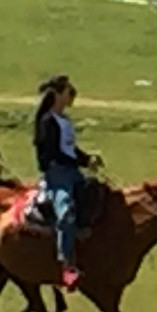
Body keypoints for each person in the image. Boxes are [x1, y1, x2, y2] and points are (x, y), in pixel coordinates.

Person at [34, 74, 95, 290]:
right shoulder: (47, 122)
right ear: (58, 94)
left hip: (72, 171)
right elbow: (53, 154)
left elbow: (70, 150)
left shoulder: (65, 122)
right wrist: (77, 161)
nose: (72, 95)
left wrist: (87, 159)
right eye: (69, 91)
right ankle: (67, 266)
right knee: (66, 212)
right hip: (58, 175)